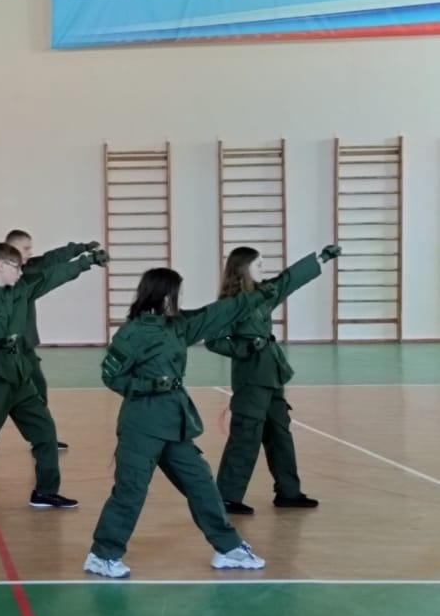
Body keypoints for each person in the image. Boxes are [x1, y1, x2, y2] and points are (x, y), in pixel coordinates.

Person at [83, 248, 339, 579]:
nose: (180, 300)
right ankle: (103, 555)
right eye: (177, 294)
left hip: (175, 425)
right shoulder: (132, 333)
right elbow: (111, 375)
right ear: (163, 296)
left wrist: (284, 280)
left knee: (202, 485)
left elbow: (226, 310)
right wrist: (149, 385)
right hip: (142, 425)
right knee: (130, 491)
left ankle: (228, 548)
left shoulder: (179, 327)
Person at [0, 241, 103, 523]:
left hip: (21, 379)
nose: (21, 272)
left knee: (45, 434)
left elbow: (52, 276)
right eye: (16, 267)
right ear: (1, 266)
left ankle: (45, 492)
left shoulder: (21, 289)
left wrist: (87, 262)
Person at [208, 245, 336, 514]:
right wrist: (244, 347)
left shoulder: (263, 295)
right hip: (251, 379)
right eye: (258, 265)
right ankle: (227, 497)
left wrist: (322, 258)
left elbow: (288, 280)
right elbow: (213, 340)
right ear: (243, 269)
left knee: (280, 433)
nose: (262, 269)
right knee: (246, 436)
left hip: (272, 375)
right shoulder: (229, 305)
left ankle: (288, 492)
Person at [5, 229, 102, 450]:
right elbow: (54, 275)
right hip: (7, 352)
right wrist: (86, 261)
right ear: (12, 249)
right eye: (26, 248)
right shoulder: (11, 279)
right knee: (0, 402)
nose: (30, 252)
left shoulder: (27, 269)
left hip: (25, 348)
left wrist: (81, 248)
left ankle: (42, 439)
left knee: (38, 389)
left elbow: (51, 260)